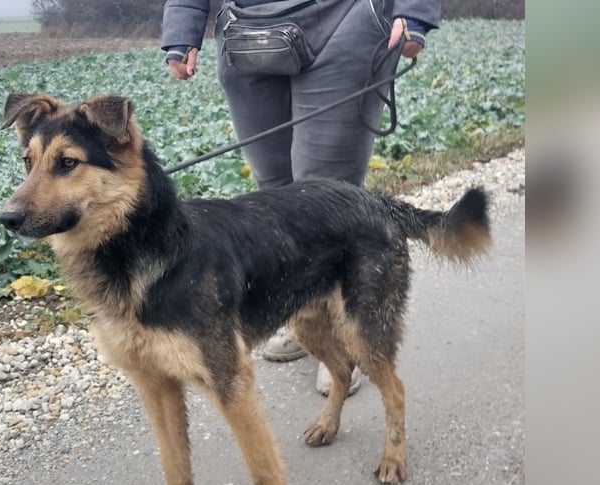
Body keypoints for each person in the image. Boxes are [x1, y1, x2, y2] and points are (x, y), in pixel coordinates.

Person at [161, 0, 441, 396]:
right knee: (274, 195)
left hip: (346, 21)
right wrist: (181, 27)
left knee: (327, 191)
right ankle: (307, 316)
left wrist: (415, 10)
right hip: (247, 30)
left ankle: (346, 340)